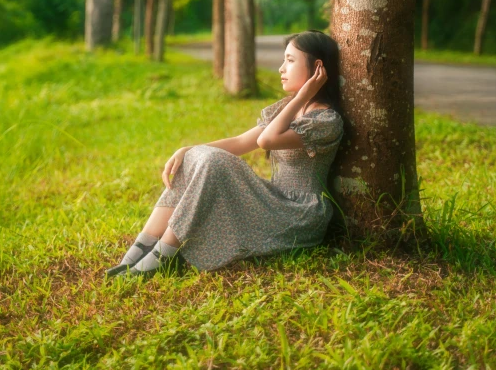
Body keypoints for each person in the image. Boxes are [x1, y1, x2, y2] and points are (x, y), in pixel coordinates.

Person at [105, 29, 344, 280]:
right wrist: (188, 150)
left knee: (214, 161)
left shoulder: (326, 121)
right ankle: (138, 252)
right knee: (200, 157)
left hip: (299, 214)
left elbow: (266, 141)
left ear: (317, 68)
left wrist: (304, 95)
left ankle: (163, 257)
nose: (281, 68)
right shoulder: (287, 109)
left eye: (290, 60)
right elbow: (241, 142)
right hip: (273, 200)